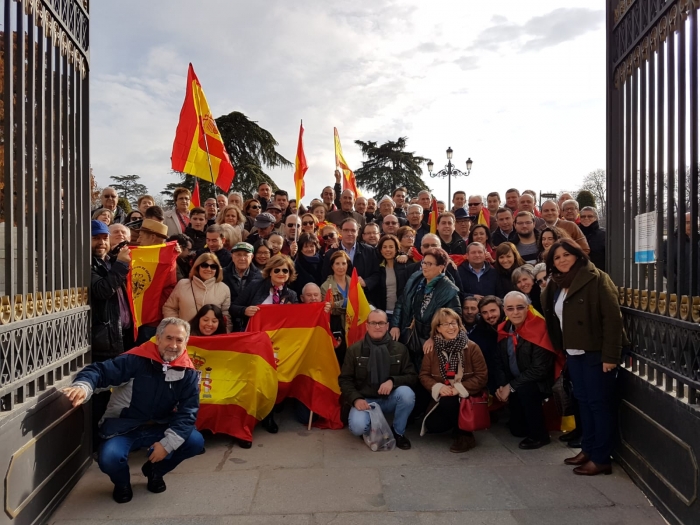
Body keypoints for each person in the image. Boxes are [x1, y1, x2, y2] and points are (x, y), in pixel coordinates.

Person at [62, 318, 203, 503]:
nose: (174, 345)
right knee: (110, 458)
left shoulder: (188, 373)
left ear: (186, 343)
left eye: (179, 340)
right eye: (169, 338)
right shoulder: (136, 359)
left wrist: (167, 445)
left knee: (195, 441)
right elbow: (100, 372)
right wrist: (83, 386)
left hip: (159, 427)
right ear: (158, 338)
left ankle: (154, 472)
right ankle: (122, 484)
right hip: (124, 427)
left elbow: (188, 413)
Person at [542, 240, 625, 476]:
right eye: (557, 258)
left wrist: (611, 355)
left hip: (596, 352)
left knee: (599, 405)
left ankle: (601, 458)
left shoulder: (596, 278)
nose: (562, 260)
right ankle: (587, 449)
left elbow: (612, 319)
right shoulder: (557, 284)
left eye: (566, 255)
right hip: (574, 353)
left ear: (577, 255)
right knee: (584, 402)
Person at [231, 254, 299, 433]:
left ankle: (269, 412)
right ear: (270, 272)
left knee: (275, 378)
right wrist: (245, 310)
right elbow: (233, 307)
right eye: (277, 270)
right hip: (256, 342)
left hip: (280, 344)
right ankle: (256, 415)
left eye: (285, 270)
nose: (281, 273)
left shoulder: (291, 294)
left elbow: (299, 321)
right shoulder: (255, 286)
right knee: (258, 377)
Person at [340, 309, 417, 450]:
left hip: (389, 398)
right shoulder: (354, 350)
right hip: (365, 400)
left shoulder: (400, 349)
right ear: (367, 326)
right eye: (373, 323)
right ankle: (374, 429)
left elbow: (412, 376)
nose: (377, 326)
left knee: (407, 394)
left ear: (387, 326)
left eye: (381, 323)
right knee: (357, 428)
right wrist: (356, 399)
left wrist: (392, 381)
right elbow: (345, 380)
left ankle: (398, 432)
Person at [419, 308, 488, 453]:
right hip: (443, 396)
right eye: (445, 324)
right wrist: (437, 386)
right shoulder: (432, 349)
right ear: (438, 328)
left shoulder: (472, 347)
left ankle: (465, 436)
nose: (451, 327)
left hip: (467, 396)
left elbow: (482, 376)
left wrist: (459, 388)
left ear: (459, 324)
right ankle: (457, 425)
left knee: (450, 400)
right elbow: (424, 375)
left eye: (453, 323)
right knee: (434, 426)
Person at [495, 291, 556, 450]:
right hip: (517, 381)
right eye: (510, 308)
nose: (515, 312)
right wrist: (502, 385)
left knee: (525, 390)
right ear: (504, 310)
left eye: (520, 307)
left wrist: (511, 386)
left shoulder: (539, 327)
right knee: (517, 430)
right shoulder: (505, 328)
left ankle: (540, 436)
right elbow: (500, 361)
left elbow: (540, 369)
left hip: (539, 383)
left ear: (528, 308)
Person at [390, 248, 461, 373]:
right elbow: (401, 302)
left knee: (427, 376)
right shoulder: (415, 279)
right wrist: (395, 325)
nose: (424, 267)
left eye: (429, 264)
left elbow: (453, 321)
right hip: (409, 336)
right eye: (423, 262)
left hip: (431, 345)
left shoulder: (449, 290)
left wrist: (434, 338)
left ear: (441, 267)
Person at [91, 220, 134, 360]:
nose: (101, 242)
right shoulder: (85, 263)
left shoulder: (113, 262)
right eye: (96, 238)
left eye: (104, 238)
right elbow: (102, 290)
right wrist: (121, 264)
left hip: (125, 333)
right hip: (104, 338)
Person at [163, 253, 232, 331]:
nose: (209, 269)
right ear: (197, 267)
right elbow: (169, 308)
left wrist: (225, 335)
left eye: (213, 267)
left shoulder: (224, 288)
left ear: (217, 270)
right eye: (204, 265)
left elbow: (226, 316)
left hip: (211, 337)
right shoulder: (182, 284)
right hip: (185, 335)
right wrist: (177, 327)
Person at [322, 218, 379, 291]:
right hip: (339, 298)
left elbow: (377, 273)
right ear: (340, 231)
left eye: (353, 230)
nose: (349, 233)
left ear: (357, 232)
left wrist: (366, 282)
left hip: (365, 296)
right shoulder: (330, 254)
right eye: (346, 230)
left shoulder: (369, 251)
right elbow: (325, 277)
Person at [321, 251, 353, 365]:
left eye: (344, 263)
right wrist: (347, 304)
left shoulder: (354, 282)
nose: (341, 267)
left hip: (353, 326)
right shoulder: (325, 286)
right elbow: (330, 309)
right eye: (337, 264)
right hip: (337, 327)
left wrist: (338, 304)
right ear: (332, 266)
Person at [469, 295, 506, 395]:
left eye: (493, 310)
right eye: (485, 313)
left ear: (501, 309)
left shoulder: (511, 325)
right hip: (491, 381)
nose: (489, 315)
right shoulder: (479, 332)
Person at [223, 242, 263, 331]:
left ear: (252, 257)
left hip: (250, 323)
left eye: (246, 255)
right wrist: (242, 310)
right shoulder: (222, 274)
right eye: (238, 255)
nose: (242, 258)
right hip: (227, 321)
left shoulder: (260, 276)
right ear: (232, 256)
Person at [375, 234, 413, 316]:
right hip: (384, 313)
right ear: (381, 250)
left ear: (396, 249)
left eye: (391, 247)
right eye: (384, 247)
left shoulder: (405, 265)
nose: (387, 250)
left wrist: (406, 256)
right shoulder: (379, 268)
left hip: (402, 313)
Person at [579, 207, 606, 272]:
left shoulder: (604, 234)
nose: (586, 218)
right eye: (583, 216)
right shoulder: (576, 233)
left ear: (596, 218)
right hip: (579, 273)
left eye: (590, 216)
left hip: (599, 272)